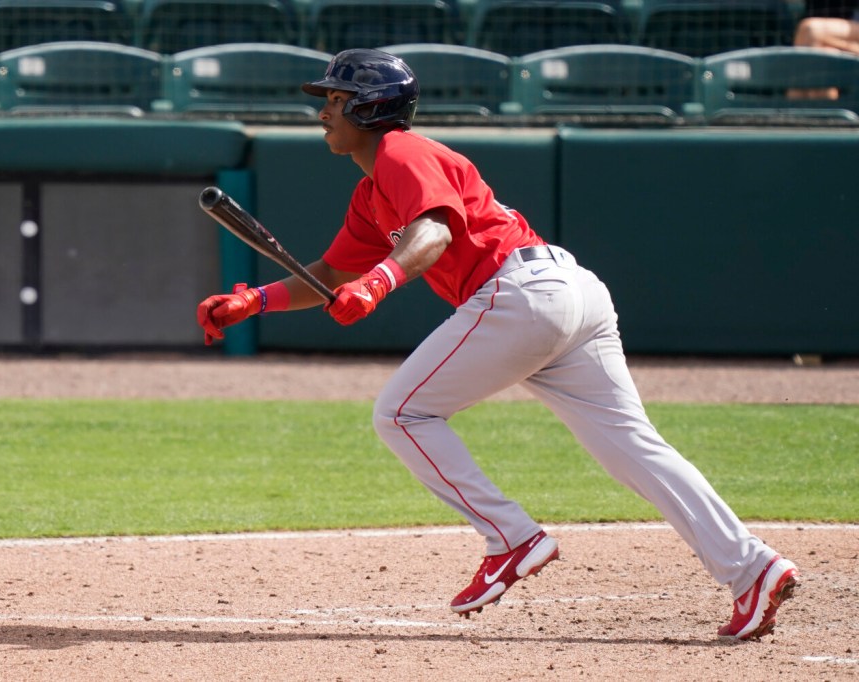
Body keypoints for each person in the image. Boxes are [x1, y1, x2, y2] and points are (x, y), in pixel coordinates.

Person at [196, 49, 799, 640]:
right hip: (567, 292)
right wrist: (254, 301)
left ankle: (511, 536)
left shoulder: (402, 152)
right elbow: (326, 275)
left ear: (372, 107)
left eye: (335, 99)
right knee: (634, 450)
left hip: (520, 293)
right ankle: (753, 569)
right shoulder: (371, 193)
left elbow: (433, 230)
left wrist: (378, 283)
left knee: (402, 415)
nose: (323, 111)